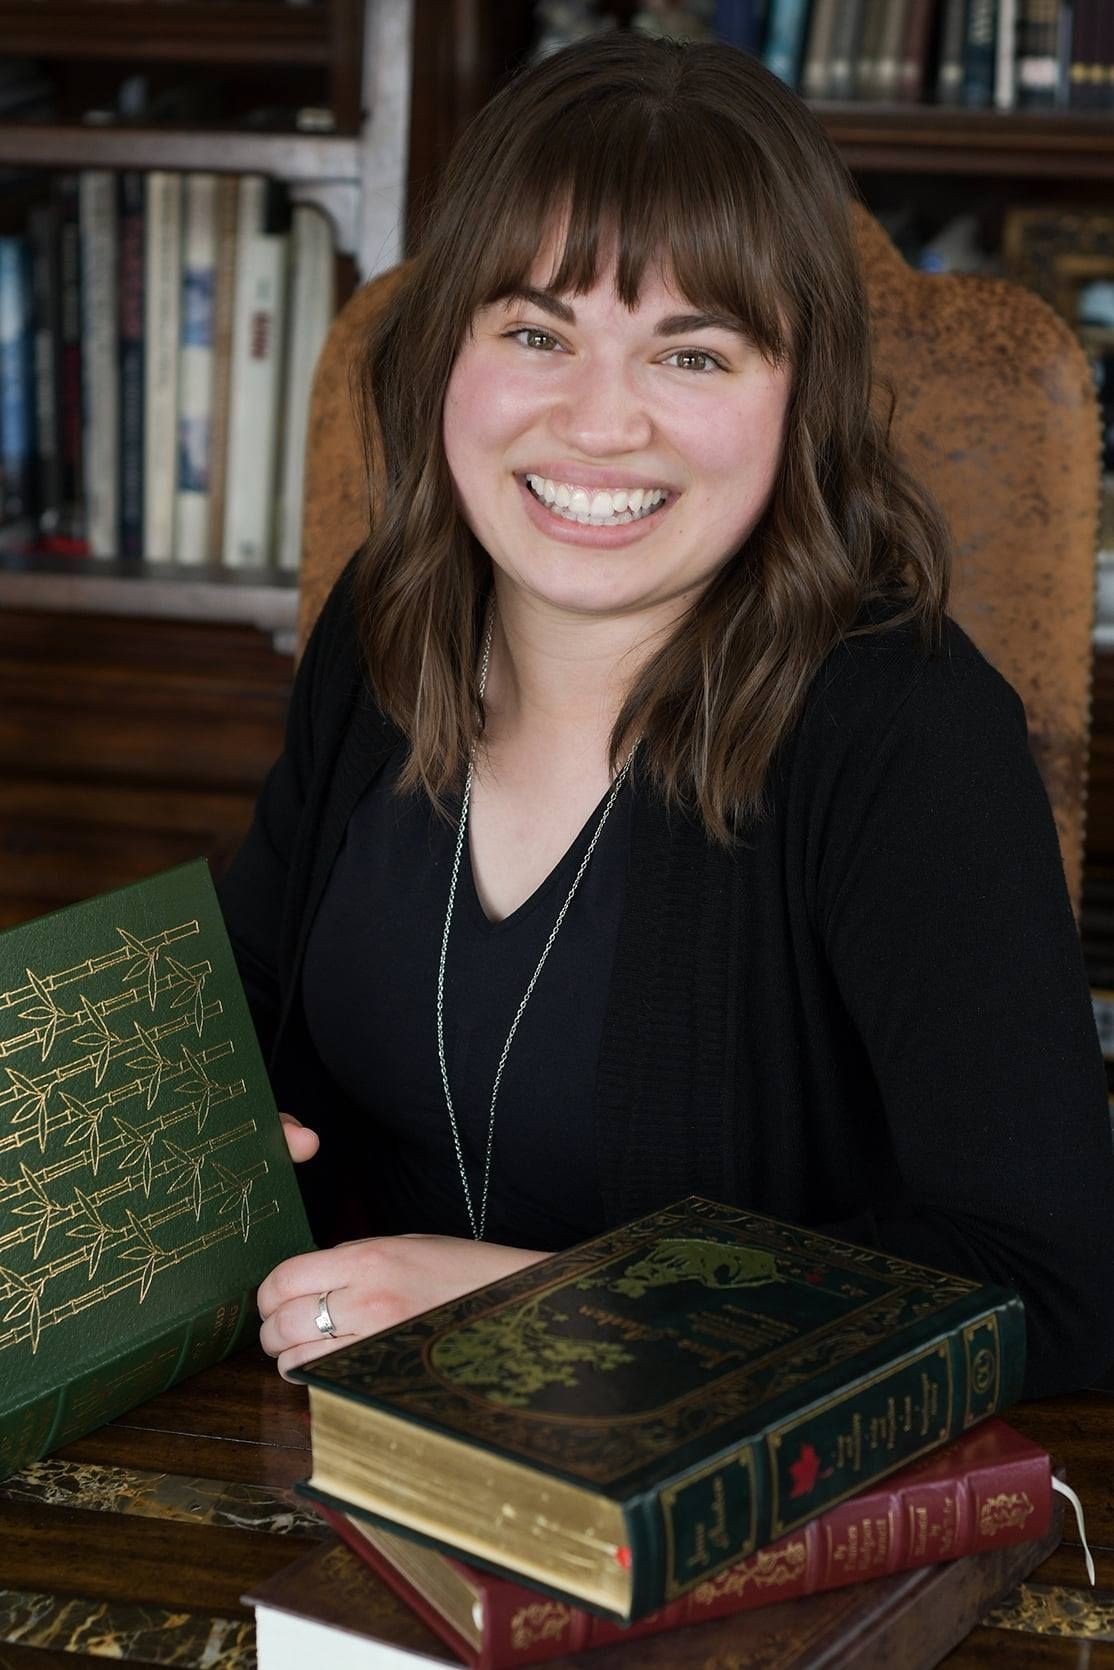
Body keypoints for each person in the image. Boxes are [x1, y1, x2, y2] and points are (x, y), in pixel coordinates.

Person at [221, 31, 1114, 1398]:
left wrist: (547, 1302)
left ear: (799, 397)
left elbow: (1053, 1292)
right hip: (336, 1463)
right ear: (441, 357)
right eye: (534, 332)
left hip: (722, 1540)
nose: (596, 423)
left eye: (690, 356)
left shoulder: (907, 734)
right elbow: (249, 1006)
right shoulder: (384, 622)